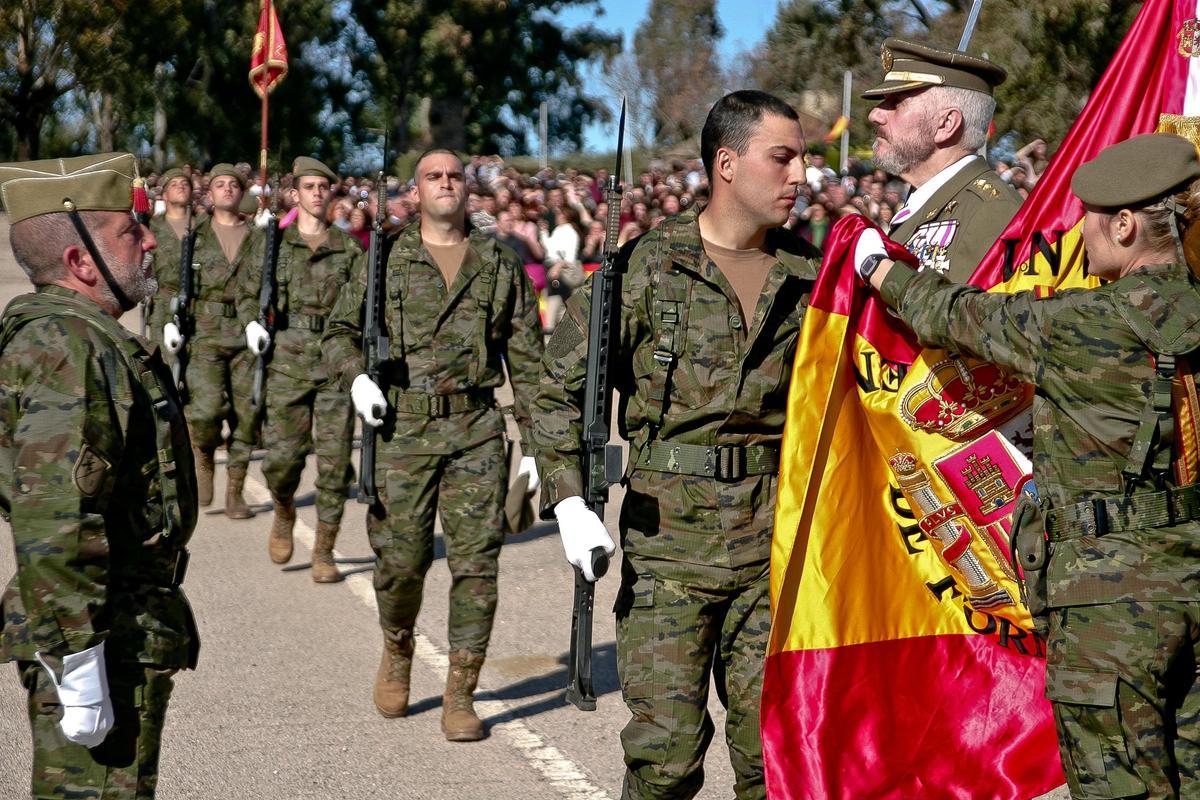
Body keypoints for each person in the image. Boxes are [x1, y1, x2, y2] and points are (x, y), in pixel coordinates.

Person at [852, 132, 1200, 799]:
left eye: (1089, 218)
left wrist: (879, 269)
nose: (1078, 232)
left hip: (1109, 605)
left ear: (1126, 226)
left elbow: (953, 315)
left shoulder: (1079, 323)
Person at [532, 90, 822, 799]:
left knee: (776, 760)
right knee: (665, 762)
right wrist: (568, 498)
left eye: (802, 159)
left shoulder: (812, 276)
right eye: (782, 157)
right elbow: (557, 390)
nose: (801, 176)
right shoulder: (641, 269)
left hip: (779, 548)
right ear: (727, 164)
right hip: (670, 550)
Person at [323, 149, 543, 741]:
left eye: (454, 175)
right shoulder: (386, 260)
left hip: (475, 431)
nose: (445, 183)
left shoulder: (499, 262)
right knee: (401, 563)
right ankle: (397, 648)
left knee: (477, 567)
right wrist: (357, 378)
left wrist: (547, 452)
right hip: (402, 432)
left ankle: (460, 694)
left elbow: (528, 363)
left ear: (467, 189)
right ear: (415, 193)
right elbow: (337, 334)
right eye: (433, 176)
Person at [0, 153, 199, 799]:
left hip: (115, 626)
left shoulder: (83, 339)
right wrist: (77, 657)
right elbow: (55, 520)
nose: (149, 240)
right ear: (81, 262)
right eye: (129, 232)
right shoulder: (66, 348)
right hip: (102, 635)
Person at [238, 157, 361, 580]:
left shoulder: (349, 249)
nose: (316, 193)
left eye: (323, 187)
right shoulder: (272, 244)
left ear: (331, 193)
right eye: (308, 186)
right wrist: (252, 323)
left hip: (335, 363)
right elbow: (246, 292)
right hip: (286, 361)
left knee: (335, 462)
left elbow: (365, 308)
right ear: (295, 194)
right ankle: (285, 508)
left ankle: (324, 551)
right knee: (282, 460)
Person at [865, 38, 1022, 281]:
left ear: (946, 124)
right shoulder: (925, 200)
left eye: (896, 102)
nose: (875, 114)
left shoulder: (993, 213)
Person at [163, 164, 262, 519]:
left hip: (247, 335)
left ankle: (235, 490)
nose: (227, 190)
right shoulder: (195, 235)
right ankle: (203, 455)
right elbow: (174, 286)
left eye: (233, 185)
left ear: (241, 192)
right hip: (204, 333)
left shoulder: (259, 238)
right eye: (219, 184)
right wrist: (169, 324)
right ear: (210, 192)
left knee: (247, 416)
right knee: (203, 412)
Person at [145, 167, 195, 354]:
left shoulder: (204, 227)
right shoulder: (152, 228)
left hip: (198, 308)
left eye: (185, 184)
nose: (180, 187)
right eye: (174, 184)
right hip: (163, 306)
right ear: (165, 195)